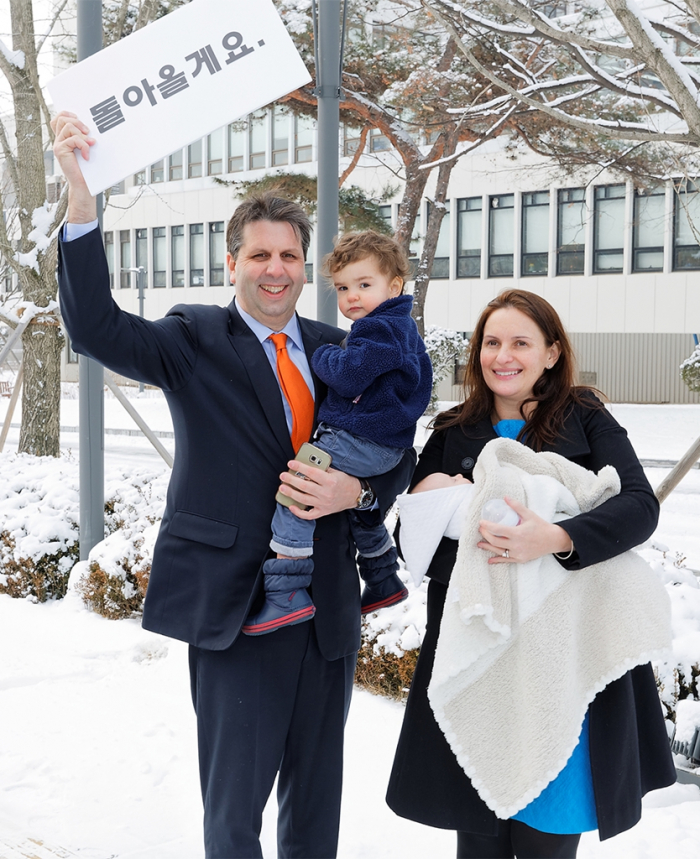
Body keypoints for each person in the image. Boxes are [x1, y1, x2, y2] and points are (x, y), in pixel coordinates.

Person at [51, 111, 416, 859]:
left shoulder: (340, 348)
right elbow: (96, 328)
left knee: (316, 809)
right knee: (234, 812)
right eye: (259, 255)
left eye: (288, 254)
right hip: (238, 607)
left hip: (327, 612)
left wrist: (361, 496)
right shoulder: (193, 339)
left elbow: (394, 449)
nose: (275, 268)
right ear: (232, 263)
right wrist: (81, 203)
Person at [386, 289, 676, 858]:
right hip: (479, 657)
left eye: (521, 342)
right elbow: (412, 532)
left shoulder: (585, 417)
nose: (503, 355)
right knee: (480, 839)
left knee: (548, 835)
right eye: (491, 342)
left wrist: (556, 539)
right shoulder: (451, 430)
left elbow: (639, 506)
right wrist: (493, 558)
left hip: (562, 664)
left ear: (551, 353)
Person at [244, 231, 432, 634]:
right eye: (344, 287)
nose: (352, 297)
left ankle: (285, 592)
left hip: (360, 438)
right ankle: (382, 578)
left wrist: (324, 353)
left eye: (365, 285)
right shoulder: (402, 328)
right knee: (360, 510)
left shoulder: (378, 329)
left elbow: (349, 376)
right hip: (383, 443)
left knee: (299, 488)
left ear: (394, 286)